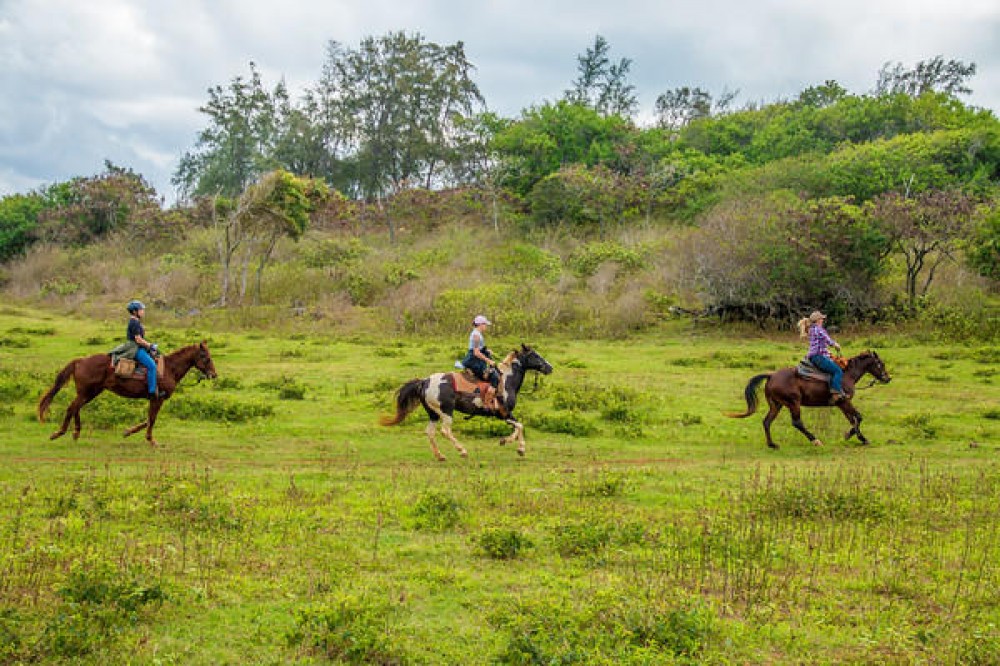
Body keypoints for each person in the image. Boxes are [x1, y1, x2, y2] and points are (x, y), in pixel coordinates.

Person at [797, 310, 845, 401]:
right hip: (818, 357)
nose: (823, 320)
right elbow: (828, 340)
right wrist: (836, 345)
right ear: (818, 320)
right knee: (837, 371)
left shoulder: (811, 329)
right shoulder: (818, 329)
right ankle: (835, 392)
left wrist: (828, 353)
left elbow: (819, 344)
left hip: (815, 356)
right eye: (822, 319)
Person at [461, 315, 502, 406]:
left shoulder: (477, 334)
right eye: (485, 324)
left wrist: (486, 350)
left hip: (476, 360)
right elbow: (476, 352)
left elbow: (479, 348)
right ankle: (486, 403)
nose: (486, 327)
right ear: (480, 325)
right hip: (474, 361)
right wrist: (489, 361)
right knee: (494, 377)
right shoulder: (476, 336)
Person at [126, 300, 163, 399]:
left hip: (138, 346)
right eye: (141, 310)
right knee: (152, 366)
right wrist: (150, 345)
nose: (143, 312)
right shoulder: (134, 323)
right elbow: (138, 339)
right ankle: (151, 392)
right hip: (135, 348)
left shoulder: (136, 322)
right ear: (134, 312)